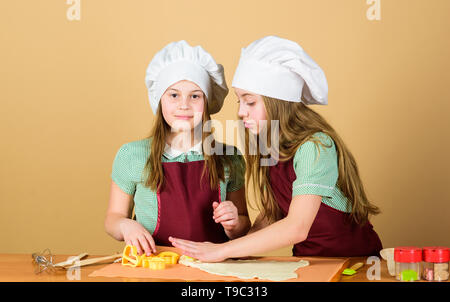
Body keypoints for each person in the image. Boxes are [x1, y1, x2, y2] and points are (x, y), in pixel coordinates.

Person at [169, 36, 382, 262]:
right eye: (239, 101)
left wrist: (223, 251)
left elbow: (296, 227)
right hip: (309, 264)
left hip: (353, 263)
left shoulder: (316, 146)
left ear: (277, 102)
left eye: (250, 102)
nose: (241, 112)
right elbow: (273, 214)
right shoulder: (268, 146)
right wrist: (236, 255)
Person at [104, 40, 250, 256]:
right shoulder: (133, 156)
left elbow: (243, 224)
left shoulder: (230, 158)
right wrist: (125, 225)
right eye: (174, 95)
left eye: (195, 96)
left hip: (213, 271)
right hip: (154, 268)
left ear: (207, 103)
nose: (184, 105)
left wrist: (234, 223)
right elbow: (113, 218)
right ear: (160, 100)